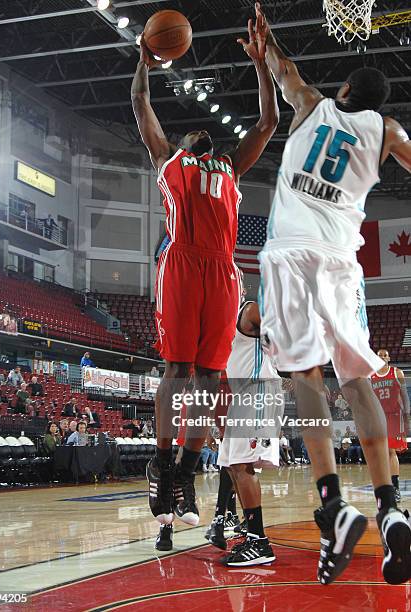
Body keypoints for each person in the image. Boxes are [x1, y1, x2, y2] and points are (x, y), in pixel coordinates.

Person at [259, 2, 411, 585]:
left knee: (306, 378)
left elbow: (286, 70)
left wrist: (264, 42)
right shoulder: (387, 130)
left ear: (345, 88)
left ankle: (333, 506)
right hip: (341, 261)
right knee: (357, 381)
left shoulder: (312, 104)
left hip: (289, 255)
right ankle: (390, 506)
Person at [131, 4, 278, 530]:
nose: (199, 133)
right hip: (182, 263)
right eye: (192, 133)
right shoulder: (169, 158)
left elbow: (268, 121)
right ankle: (163, 462)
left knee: (213, 377)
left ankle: (187, 471)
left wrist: (263, 63)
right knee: (179, 370)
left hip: (222, 271)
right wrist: (144, 60)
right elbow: (141, 102)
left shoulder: (231, 165)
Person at [214, 299, 282, 565]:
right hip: (240, 395)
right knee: (232, 466)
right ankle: (252, 535)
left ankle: (259, 541)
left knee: (243, 465)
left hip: (258, 390)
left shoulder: (249, 309)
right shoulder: (224, 325)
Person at [371, 348, 410, 503]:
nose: (381, 357)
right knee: (382, 453)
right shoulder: (371, 375)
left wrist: (407, 414)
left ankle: (395, 488)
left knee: (391, 451)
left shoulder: (396, 373)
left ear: (388, 358)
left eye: (384, 355)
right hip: (378, 417)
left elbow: (404, 395)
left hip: (394, 416)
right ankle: (386, 486)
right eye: (379, 356)